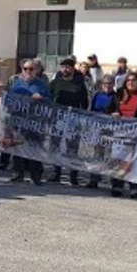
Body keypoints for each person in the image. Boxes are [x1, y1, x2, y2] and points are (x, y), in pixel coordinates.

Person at [109, 72, 137, 199]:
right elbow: (109, 110)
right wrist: (114, 113)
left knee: (135, 160)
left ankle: (134, 188)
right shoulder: (118, 95)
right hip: (119, 133)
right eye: (128, 80)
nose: (131, 82)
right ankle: (117, 185)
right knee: (119, 159)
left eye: (134, 80)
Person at [7, 58, 50, 185]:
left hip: (35, 122)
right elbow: (10, 101)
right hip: (19, 121)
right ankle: (18, 173)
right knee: (17, 148)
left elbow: (50, 102)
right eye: (25, 69)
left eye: (31, 69)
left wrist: (41, 98)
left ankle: (35, 175)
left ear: (36, 70)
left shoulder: (42, 85)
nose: (28, 71)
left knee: (35, 149)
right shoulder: (17, 84)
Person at [49, 56, 89, 185]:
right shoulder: (55, 83)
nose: (65, 69)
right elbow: (48, 97)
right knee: (55, 146)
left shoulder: (79, 85)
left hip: (74, 121)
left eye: (68, 67)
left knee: (72, 148)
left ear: (72, 68)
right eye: (63, 67)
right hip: (58, 119)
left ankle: (73, 175)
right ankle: (56, 173)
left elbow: (85, 103)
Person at [86, 73, 119, 188]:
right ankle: (94, 179)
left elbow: (119, 111)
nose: (107, 85)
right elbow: (91, 109)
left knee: (110, 155)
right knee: (96, 155)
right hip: (98, 128)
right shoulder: (97, 95)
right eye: (105, 83)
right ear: (102, 84)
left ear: (113, 84)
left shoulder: (116, 96)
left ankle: (112, 181)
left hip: (110, 129)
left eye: (110, 83)